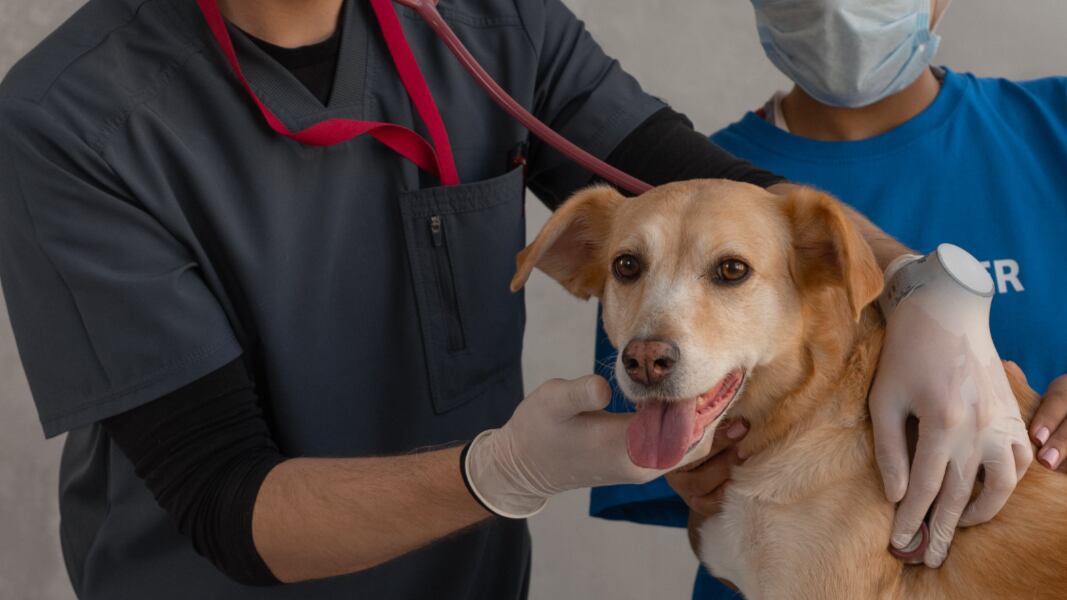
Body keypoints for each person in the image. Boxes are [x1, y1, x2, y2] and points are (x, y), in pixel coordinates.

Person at [0, 0, 1024, 599]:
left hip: (466, 583)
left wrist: (925, 288)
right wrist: (511, 469)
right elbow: (224, 500)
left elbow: (699, 190)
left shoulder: (483, 23)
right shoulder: (71, 122)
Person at [590, 0, 1067, 597]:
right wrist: (705, 488)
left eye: (732, 269)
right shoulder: (674, 204)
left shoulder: (1057, 124)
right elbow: (699, 521)